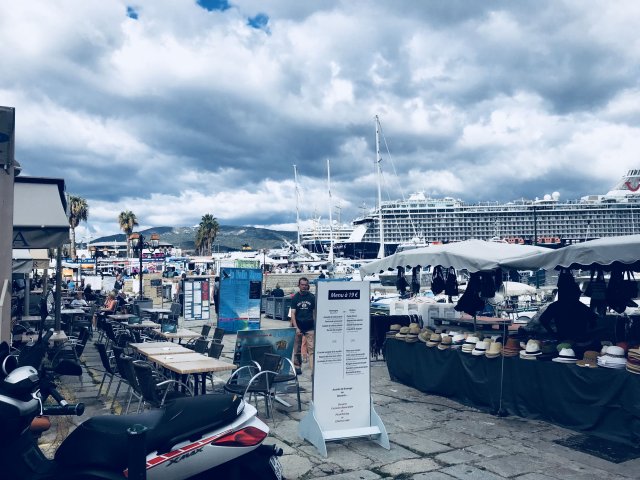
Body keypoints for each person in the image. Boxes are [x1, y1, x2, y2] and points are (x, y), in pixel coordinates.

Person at [539, 281, 597, 356]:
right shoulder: (580, 307)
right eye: (577, 293)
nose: (578, 295)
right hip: (567, 341)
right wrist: (553, 333)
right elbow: (593, 323)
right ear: (570, 294)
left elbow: (543, 320)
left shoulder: (556, 306)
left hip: (576, 341)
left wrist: (552, 333)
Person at [290, 277, 316, 375]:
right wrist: (296, 327)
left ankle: (313, 370)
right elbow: (293, 313)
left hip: (310, 326)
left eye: (306, 285)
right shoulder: (295, 298)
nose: (304, 287)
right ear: (299, 285)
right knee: (296, 349)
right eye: (302, 285)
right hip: (298, 325)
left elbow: (314, 312)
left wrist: (315, 325)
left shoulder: (312, 297)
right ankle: (297, 366)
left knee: (312, 349)